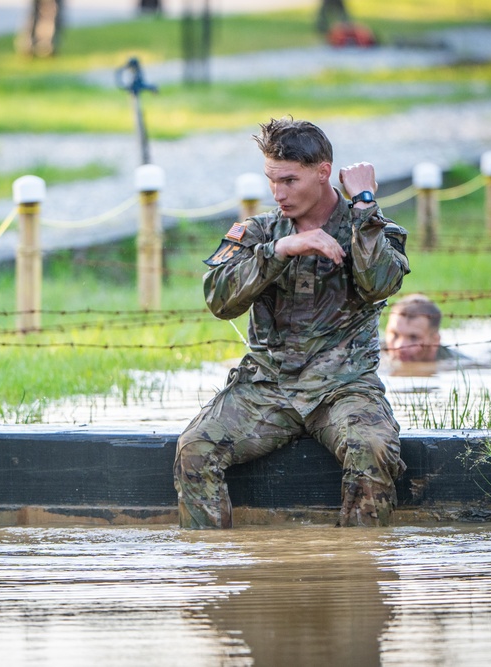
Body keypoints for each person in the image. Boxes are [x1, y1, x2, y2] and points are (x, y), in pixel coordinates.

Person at [173, 117, 411, 529]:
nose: (278, 193)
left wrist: (366, 205)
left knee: (371, 447)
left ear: (322, 172)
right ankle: (215, 573)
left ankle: (357, 576)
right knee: (194, 449)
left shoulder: (371, 228)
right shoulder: (259, 232)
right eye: (271, 180)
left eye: (289, 180)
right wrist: (280, 250)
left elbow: (380, 285)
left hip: (343, 386)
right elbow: (219, 300)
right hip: (267, 387)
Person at [384, 293, 458, 364]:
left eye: (413, 337)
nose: (400, 347)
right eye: (395, 335)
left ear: (435, 341)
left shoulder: (455, 365)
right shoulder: (375, 352)